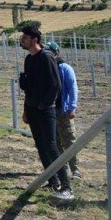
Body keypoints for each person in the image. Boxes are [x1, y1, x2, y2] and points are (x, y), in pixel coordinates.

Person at [18, 26, 73, 201]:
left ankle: (66, 186)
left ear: (35, 40)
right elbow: (29, 89)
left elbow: (55, 85)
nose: (23, 40)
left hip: (46, 110)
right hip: (32, 109)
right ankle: (52, 180)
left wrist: (43, 105)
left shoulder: (46, 57)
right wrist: (26, 109)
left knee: (51, 146)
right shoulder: (29, 59)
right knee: (41, 145)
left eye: (25, 38)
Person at [45, 41, 81, 180]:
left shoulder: (65, 68)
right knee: (55, 141)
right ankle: (62, 168)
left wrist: (72, 107)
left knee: (69, 140)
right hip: (51, 110)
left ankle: (75, 169)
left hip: (63, 110)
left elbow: (72, 88)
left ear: (56, 53)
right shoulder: (47, 68)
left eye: (50, 52)